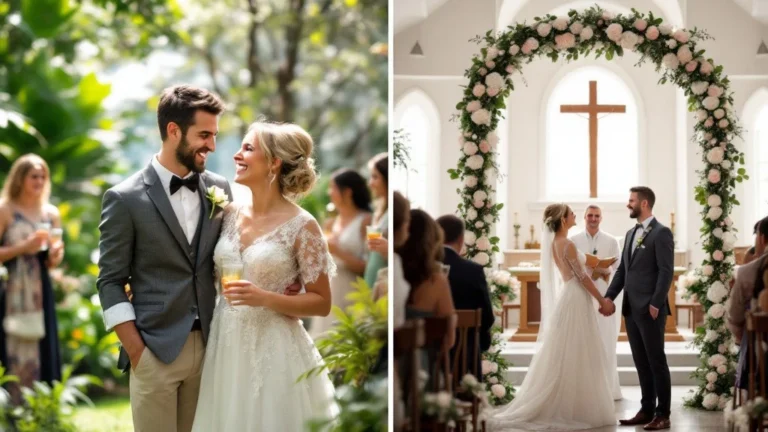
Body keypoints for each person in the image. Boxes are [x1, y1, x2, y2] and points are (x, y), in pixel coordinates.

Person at [96, 85, 301, 432]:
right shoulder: (124, 198)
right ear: (173, 131)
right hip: (154, 348)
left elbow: (239, 247)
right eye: (204, 135)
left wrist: (282, 279)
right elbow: (109, 281)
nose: (213, 145)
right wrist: (136, 350)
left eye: (215, 135)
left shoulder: (219, 188)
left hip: (213, 349)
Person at [190, 120, 337, 430]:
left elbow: (322, 302)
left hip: (275, 349)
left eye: (248, 148)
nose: (236, 155)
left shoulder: (303, 226)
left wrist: (266, 298)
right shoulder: (226, 213)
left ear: (273, 162)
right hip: (225, 342)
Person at [488, 204, 615, 431]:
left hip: (570, 295)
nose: (575, 215)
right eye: (571, 214)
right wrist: (602, 300)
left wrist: (602, 266)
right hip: (576, 297)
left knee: (569, 349)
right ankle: (575, 407)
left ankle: (573, 402)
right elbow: (583, 278)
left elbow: (585, 263)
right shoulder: (567, 244)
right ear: (564, 220)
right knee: (579, 349)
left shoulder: (558, 243)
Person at [603, 186, 674, 431]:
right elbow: (623, 270)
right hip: (631, 309)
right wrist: (610, 296)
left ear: (644, 204)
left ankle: (663, 414)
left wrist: (656, 302)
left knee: (656, 362)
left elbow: (666, 271)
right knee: (641, 362)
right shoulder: (631, 233)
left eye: (631, 200)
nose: (628, 204)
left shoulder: (662, 233)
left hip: (651, 309)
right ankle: (646, 410)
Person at [0, 154, 64, 403]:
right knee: (12, 342)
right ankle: (12, 408)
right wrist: (24, 246)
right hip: (11, 288)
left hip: (41, 288)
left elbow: (52, 259)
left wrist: (56, 254)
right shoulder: (6, 210)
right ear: (20, 178)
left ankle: (42, 410)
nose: (39, 181)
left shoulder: (51, 213)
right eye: (33, 176)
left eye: (42, 176)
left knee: (43, 343)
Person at [569, 204, 623, 400]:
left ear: (601, 218)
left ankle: (608, 388)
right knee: (583, 340)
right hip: (582, 294)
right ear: (584, 217)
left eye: (597, 216)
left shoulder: (611, 240)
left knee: (605, 339)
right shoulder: (573, 240)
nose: (593, 218)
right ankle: (584, 389)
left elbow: (619, 268)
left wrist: (603, 269)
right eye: (590, 215)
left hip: (604, 292)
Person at [311, 168, 371, 338]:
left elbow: (367, 266)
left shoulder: (366, 220)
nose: (329, 193)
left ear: (347, 192)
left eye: (333, 188)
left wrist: (337, 250)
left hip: (351, 288)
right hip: (330, 287)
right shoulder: (333, 222)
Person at [436, 214, 494, 381]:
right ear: (461, 239)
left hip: (431, 355)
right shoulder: (472, 270)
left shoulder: (424, 269)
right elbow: (487, 317)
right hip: (466, 357)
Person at [363, 153, 388, 288]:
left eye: (375, 177)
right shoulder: (379, 211)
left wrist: (388, 249)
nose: (370, 183)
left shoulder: (393, 212)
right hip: (372, 278)